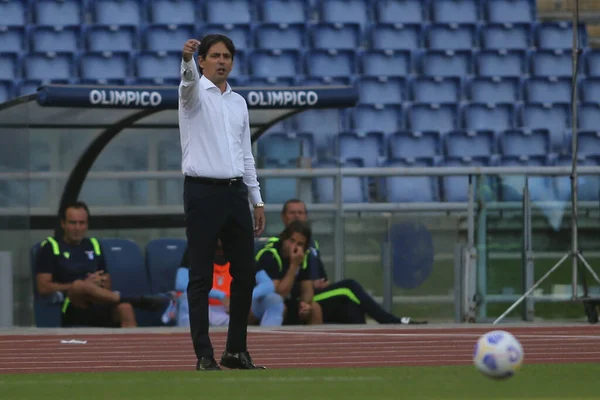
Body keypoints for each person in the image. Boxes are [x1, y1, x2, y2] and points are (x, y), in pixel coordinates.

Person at [178, 35, 266, 371]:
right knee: (200, 273)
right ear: (202, 61)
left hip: (234, 193)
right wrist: (185, 61)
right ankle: (204, 354)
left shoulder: (239, 102)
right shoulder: (194, 93)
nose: (221, 61)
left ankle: (235, 350)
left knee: (245, 273)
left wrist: (256, 199)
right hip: (202, 191)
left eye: (226, 56)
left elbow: (246, 153)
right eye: (214, 55)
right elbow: (187, 84)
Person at [266, 199, 428, 325]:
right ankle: (390, 321)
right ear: (283, 217)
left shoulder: (311, 246)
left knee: (351, 306)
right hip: (290, 300)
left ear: (306, 216)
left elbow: (320, 278)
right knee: (349, 287)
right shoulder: (274, 247)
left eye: (300, 213)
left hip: (313, 295)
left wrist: (318, 284)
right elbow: (278, 289)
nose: (296, 216)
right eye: (292, 213)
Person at [35, 201, 170, 328]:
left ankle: (133, 350)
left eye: (82, 223)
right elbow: (43, 287)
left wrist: (96, 284)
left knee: (125, 308)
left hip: (99, 302)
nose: (77, 228)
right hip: (71, 304)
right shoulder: (49, 247)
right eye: (72, 223)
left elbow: (107, 281)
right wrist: (83, 285)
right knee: (78, 285)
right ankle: (131, 299)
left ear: (87, 225)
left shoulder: (94, 245)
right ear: (63, 224)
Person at [173, 241, 285, 327]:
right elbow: (181, 283)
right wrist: (220, 295)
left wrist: (243, 298)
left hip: (236, 309)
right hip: (206, 308)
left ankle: (266, 341)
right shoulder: (197, 248)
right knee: (186, 299)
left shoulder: (241, 250)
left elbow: (269, 284)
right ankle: (189, 343)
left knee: (274, 300)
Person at [255, 220, 323, 325]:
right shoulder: (270, 254)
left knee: (314, 308)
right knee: (280, 307)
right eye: (292, 241)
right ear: (284, 239)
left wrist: (305, 305)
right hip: (263, 303)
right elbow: (279, 295)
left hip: (289, 301)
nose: (295, 247)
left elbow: (307, 289)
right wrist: (294, 265)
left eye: (300, 244)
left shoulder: (304, 255)